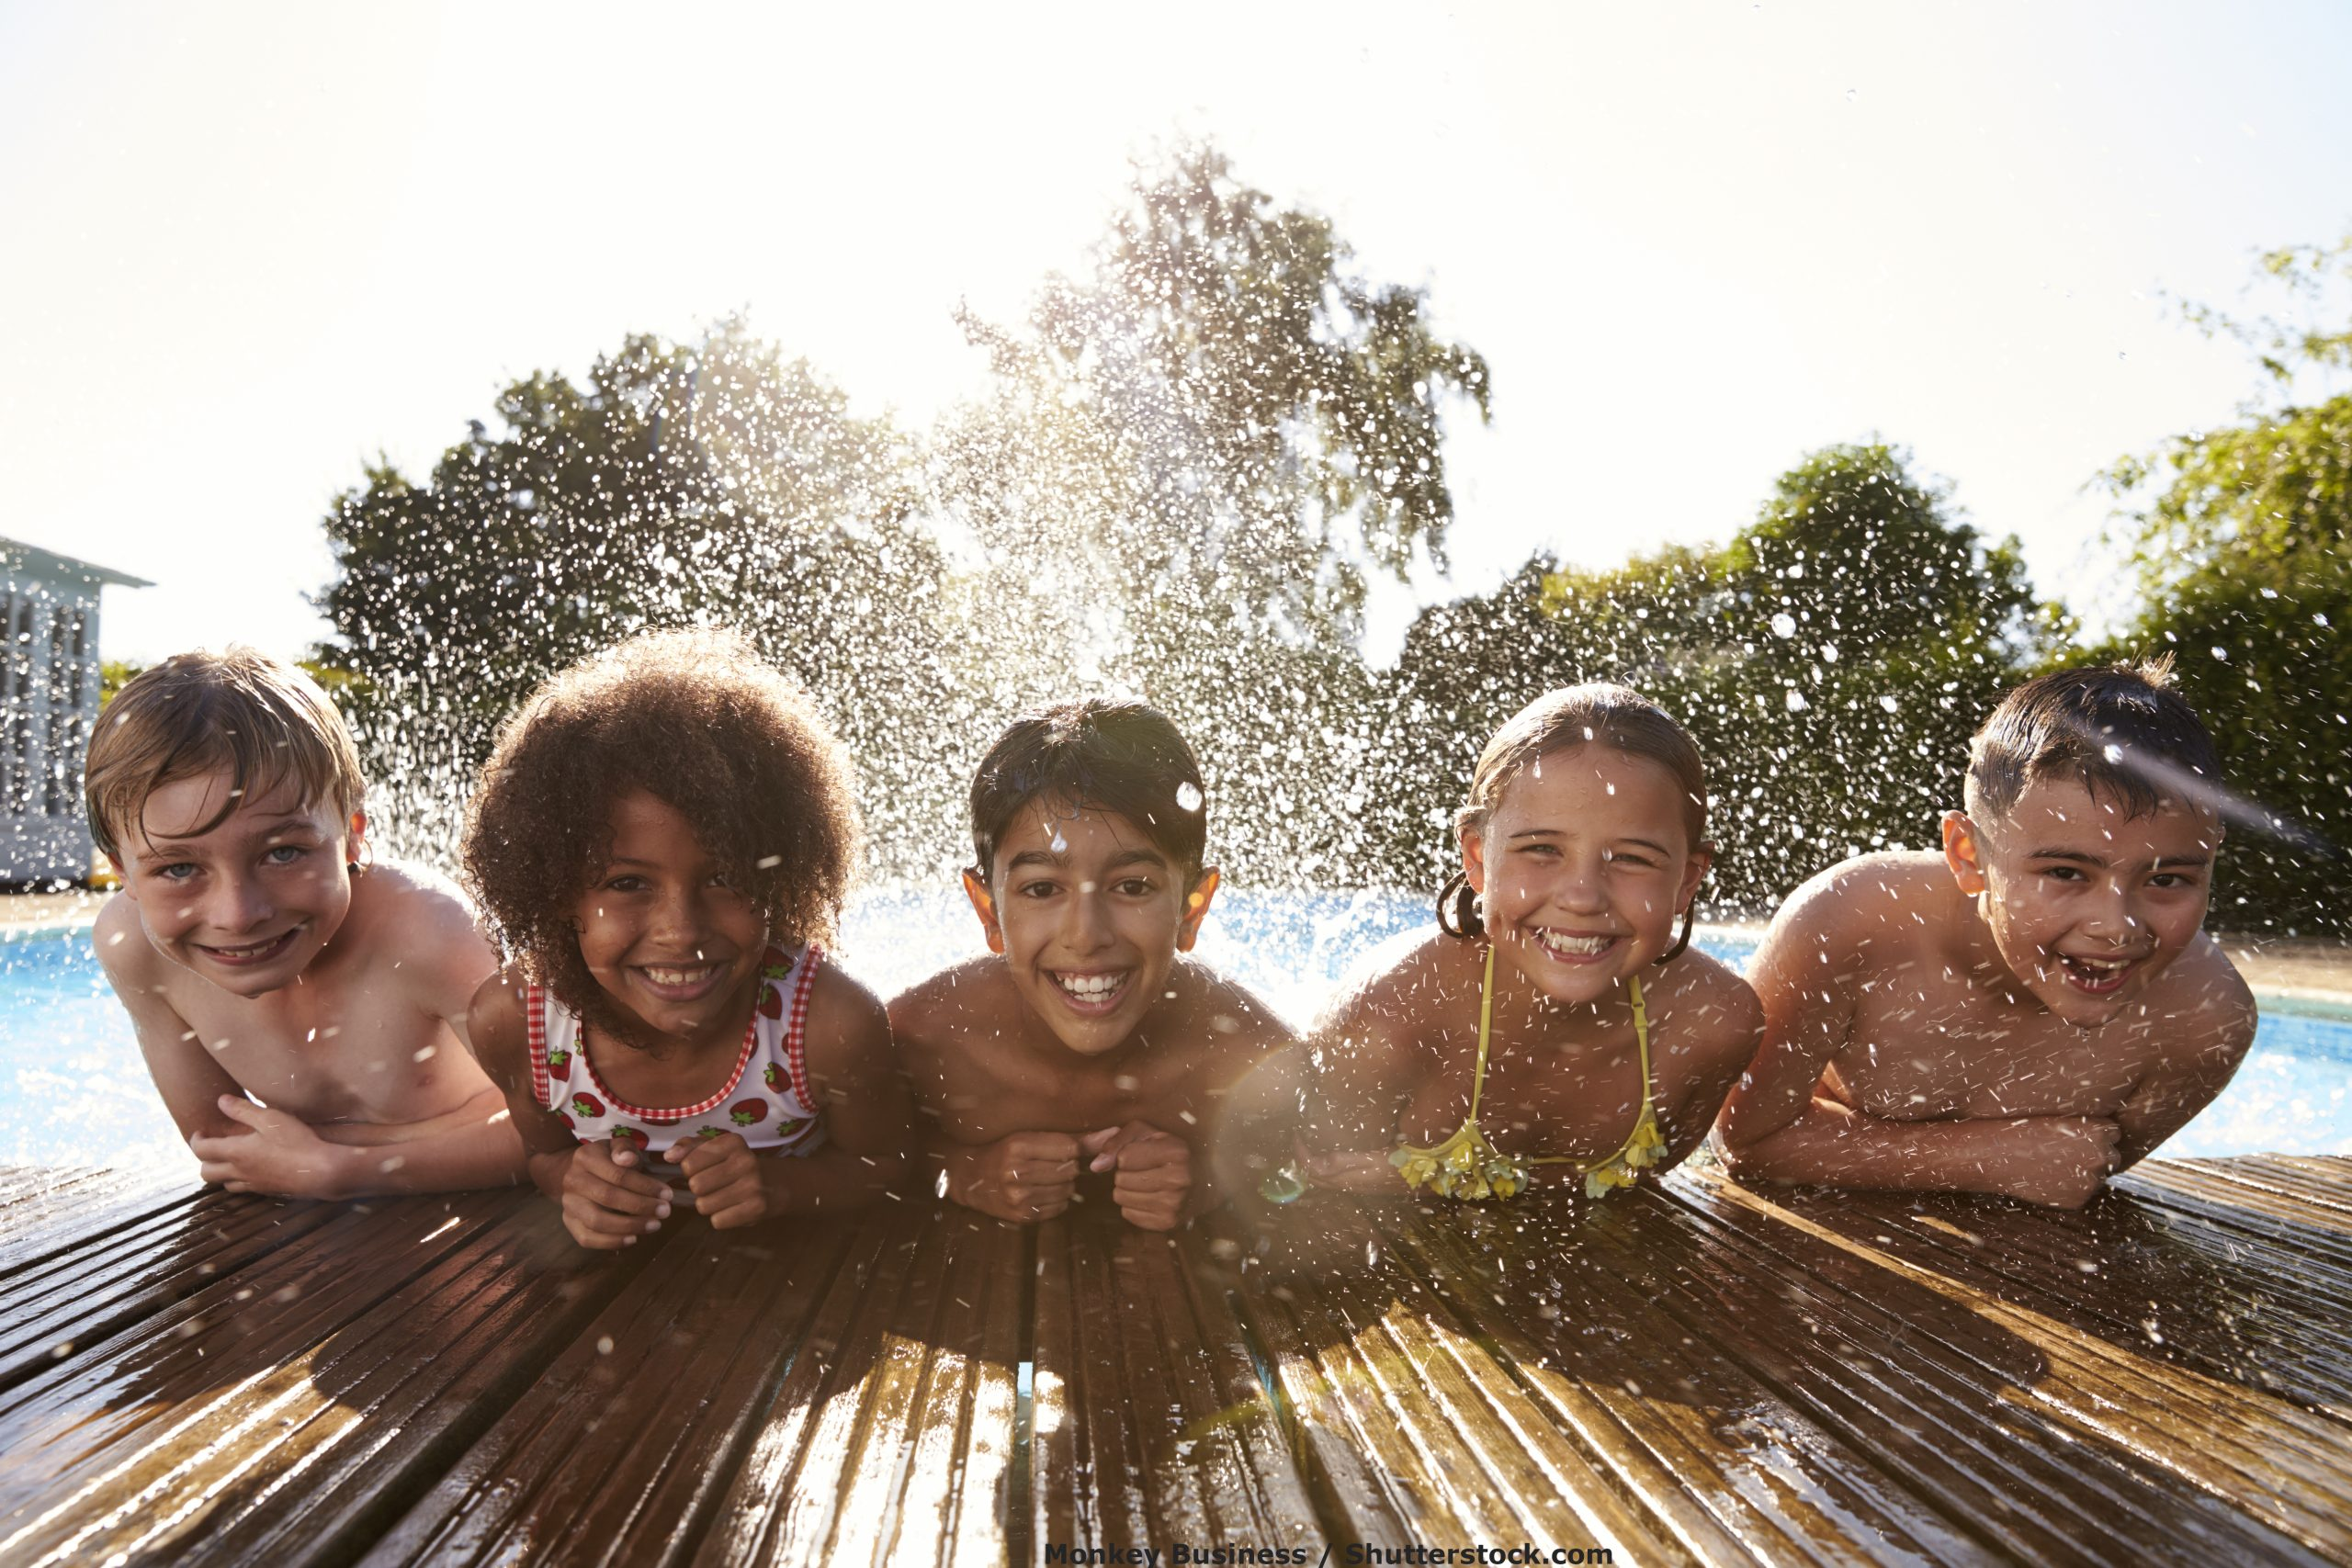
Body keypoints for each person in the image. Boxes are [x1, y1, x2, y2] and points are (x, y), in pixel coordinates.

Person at [1718, 660, 2257, 1208]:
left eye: (2167, 879)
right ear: (1968, 854)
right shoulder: (1854, 920)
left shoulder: (2204, 1022)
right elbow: (1746, 1140)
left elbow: (2075, 1172)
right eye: (2067, 873)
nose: (2116, 927)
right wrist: (1988, 1156)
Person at [461, 631, 911, 1249]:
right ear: (556, 889)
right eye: (627, 883)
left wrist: (782, 1187)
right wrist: (575, 1182)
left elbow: (888, 1168)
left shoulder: (826, 1025)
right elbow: (544, 1156)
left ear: (780, 879)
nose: (682, 930)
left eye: (725, 877)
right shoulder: (516, 1020)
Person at [88, 648, 524, 1197]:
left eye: (284, 853)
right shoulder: (133, 945)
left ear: (353, 833)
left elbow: (572, 1126)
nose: (239, 914)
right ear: (122, 870)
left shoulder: (427, 928)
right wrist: (442, 1137)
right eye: (178, 868)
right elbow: (224, 1149)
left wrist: (339, 1169)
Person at [1304, 684, 1762, 1201]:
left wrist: (1435, 1184)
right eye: (1542, 849)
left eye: (1632, 857)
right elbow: (1298, 1191)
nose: (1583, 897)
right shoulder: (1396, 1009)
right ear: (1477, 858)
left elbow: (1642, 1187)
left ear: (1687, 879)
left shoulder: (1714, 1021)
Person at [891, 699, 1295, 1231]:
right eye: (1041, 888)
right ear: (989, 910)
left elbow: (1303, 1164)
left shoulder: (1246, 1054)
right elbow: (866, 1161)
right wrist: (964, 1172)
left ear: (1191, 908)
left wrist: (1213, 1179)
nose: (1086, 936)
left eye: (1132, 887)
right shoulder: (923, 1040)